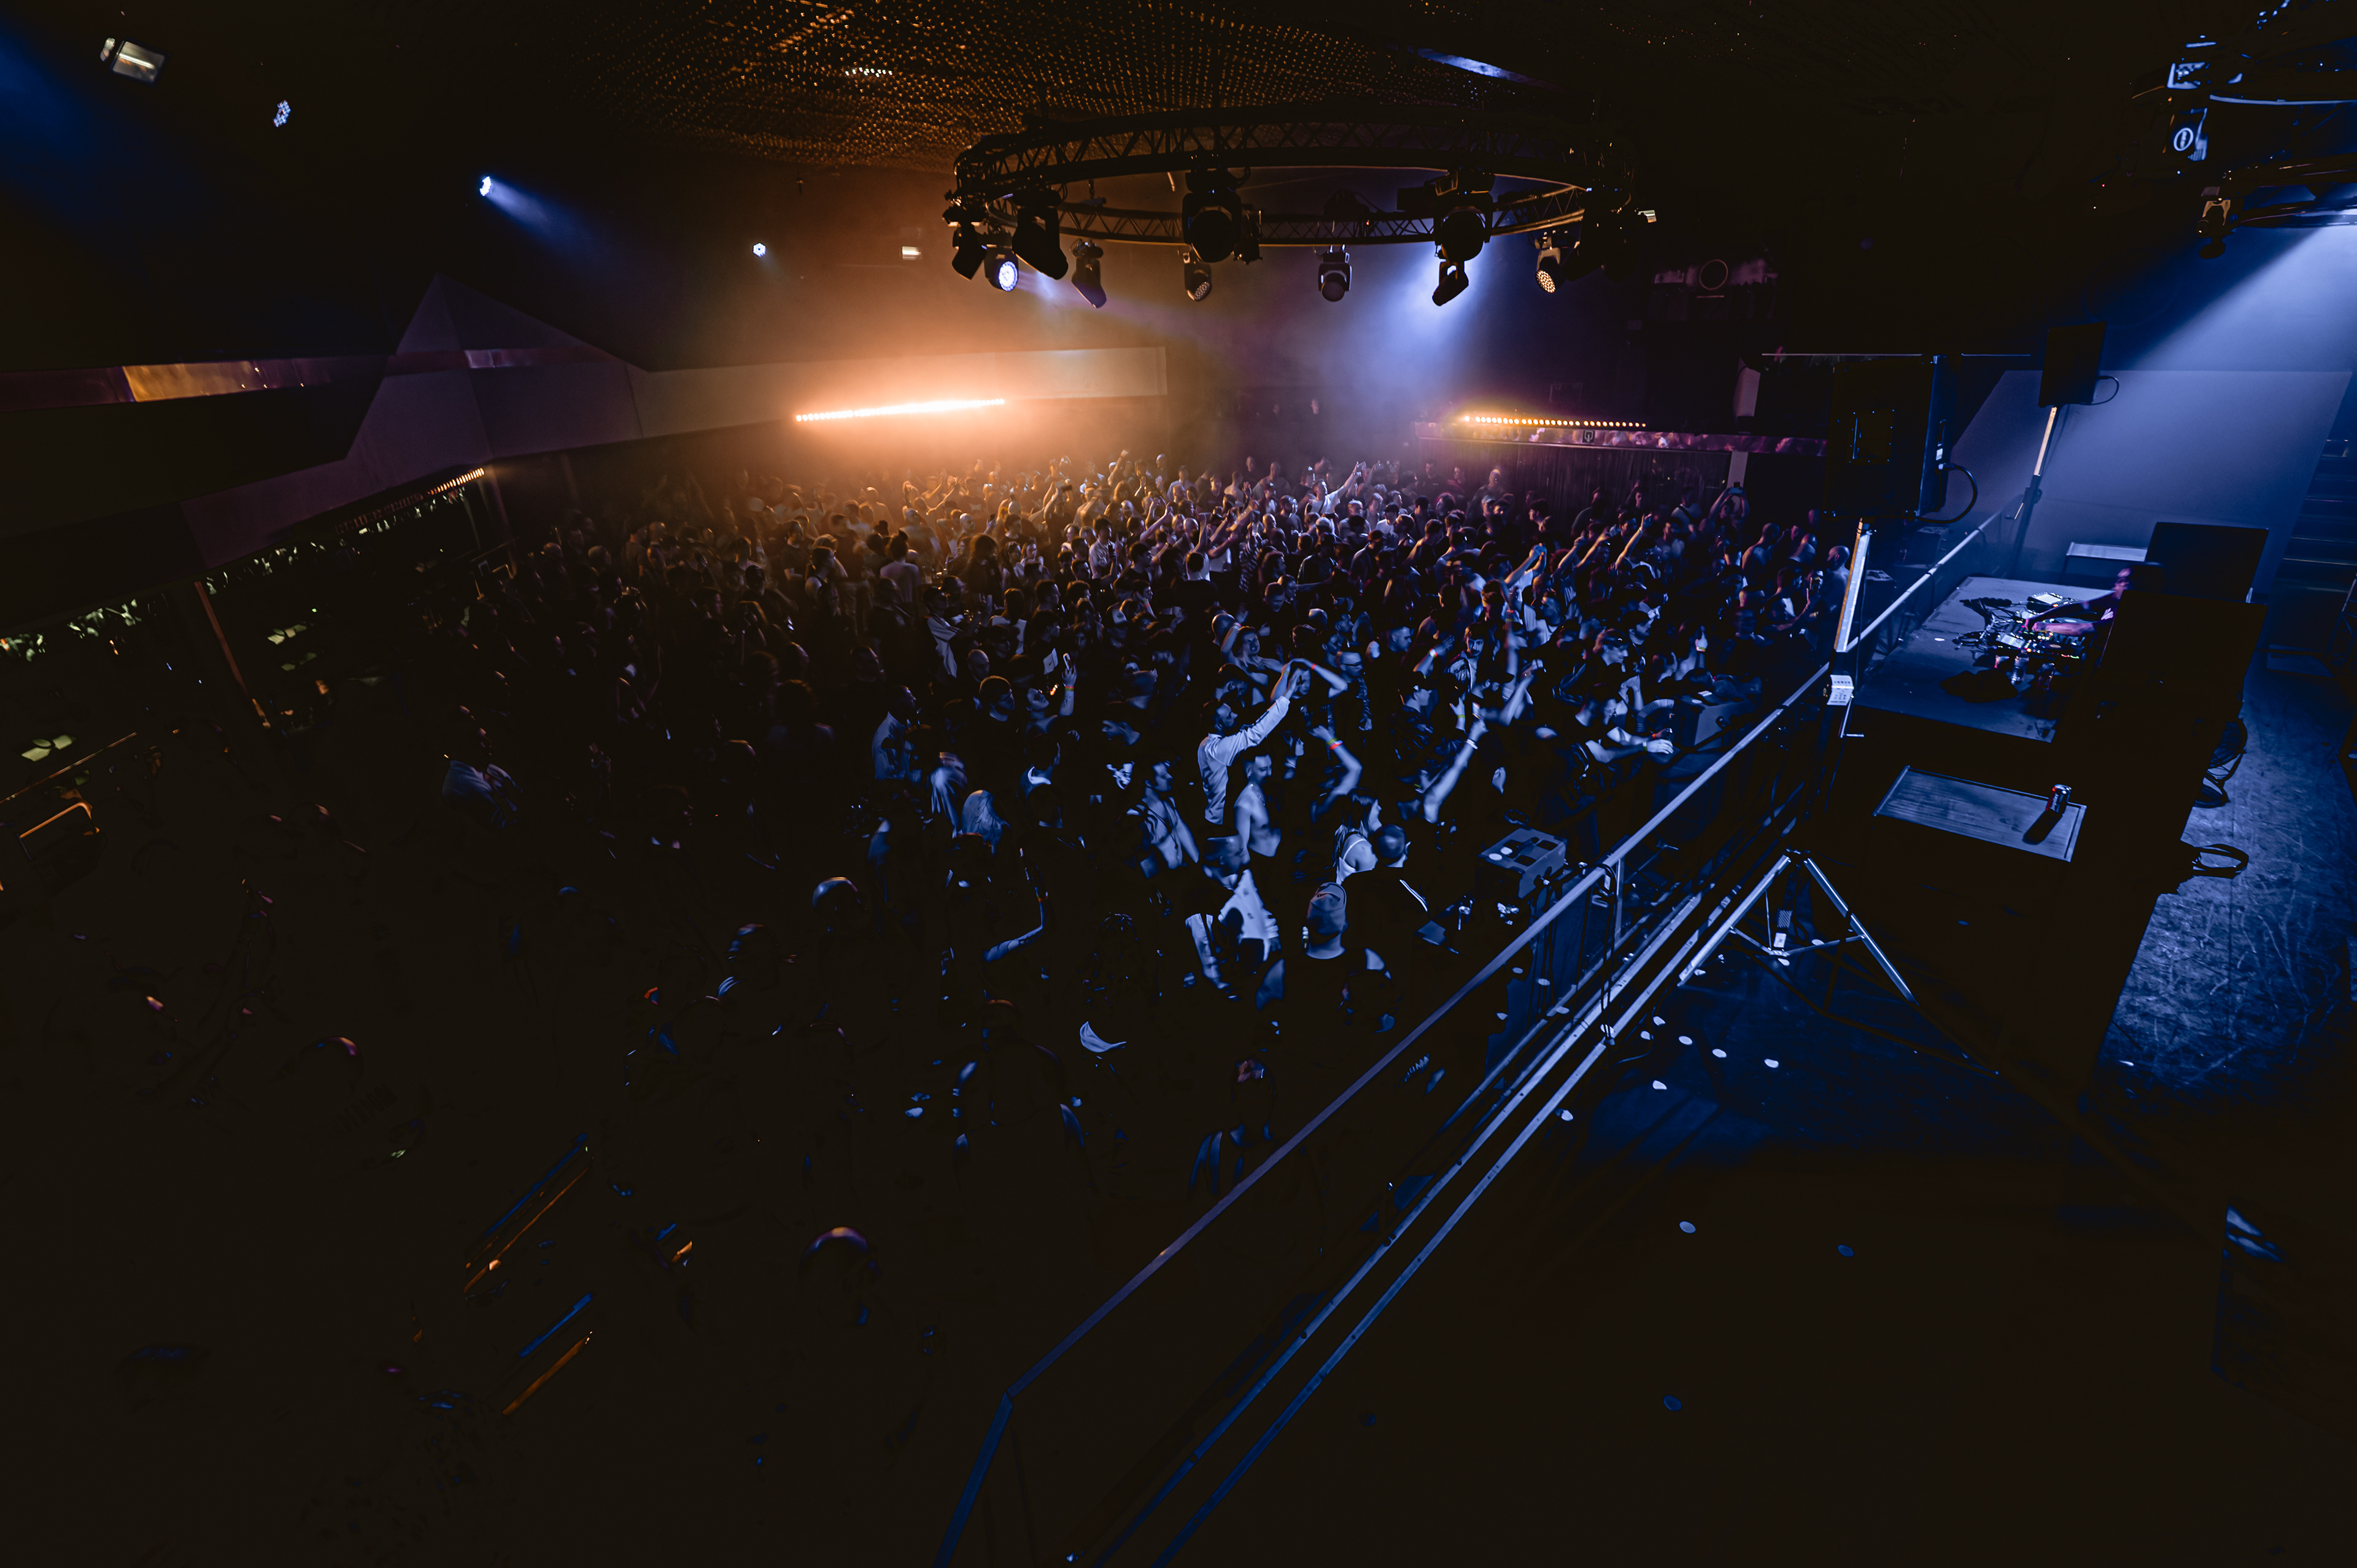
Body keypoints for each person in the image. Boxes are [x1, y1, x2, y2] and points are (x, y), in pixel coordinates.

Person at [1197, 662, 1299, 831]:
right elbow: (1256, 733)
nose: (1235, 715)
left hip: (1215, 816)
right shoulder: (1220, 748)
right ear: (1219, 726)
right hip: (1222, 822)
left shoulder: (1206, 743)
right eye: (1229, 716)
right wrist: (1289, 693)